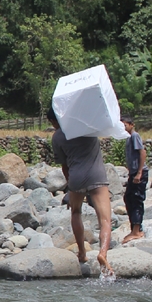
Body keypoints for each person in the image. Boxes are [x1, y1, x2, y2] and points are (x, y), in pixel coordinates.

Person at [48, 107, 113, 272]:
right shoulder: (87, 126)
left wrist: (71, 187)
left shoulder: (58, 136)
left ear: (54, 121)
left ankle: (82, 253)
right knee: (105, 220)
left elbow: (64, 166)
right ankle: (103, 253)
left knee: (76, 212)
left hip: (76, 176)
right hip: (97, 175)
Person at [121, 117, 148, 240]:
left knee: (136, 199)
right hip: (134, 172)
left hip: (139, 173)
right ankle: (136, 228)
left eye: (125, 125)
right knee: (129, 198)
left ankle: (136, 231)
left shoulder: (134, 136)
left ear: (131, 125)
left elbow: (142, 153)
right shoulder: (128, 138)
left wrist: (139, 173)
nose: (123, 127)